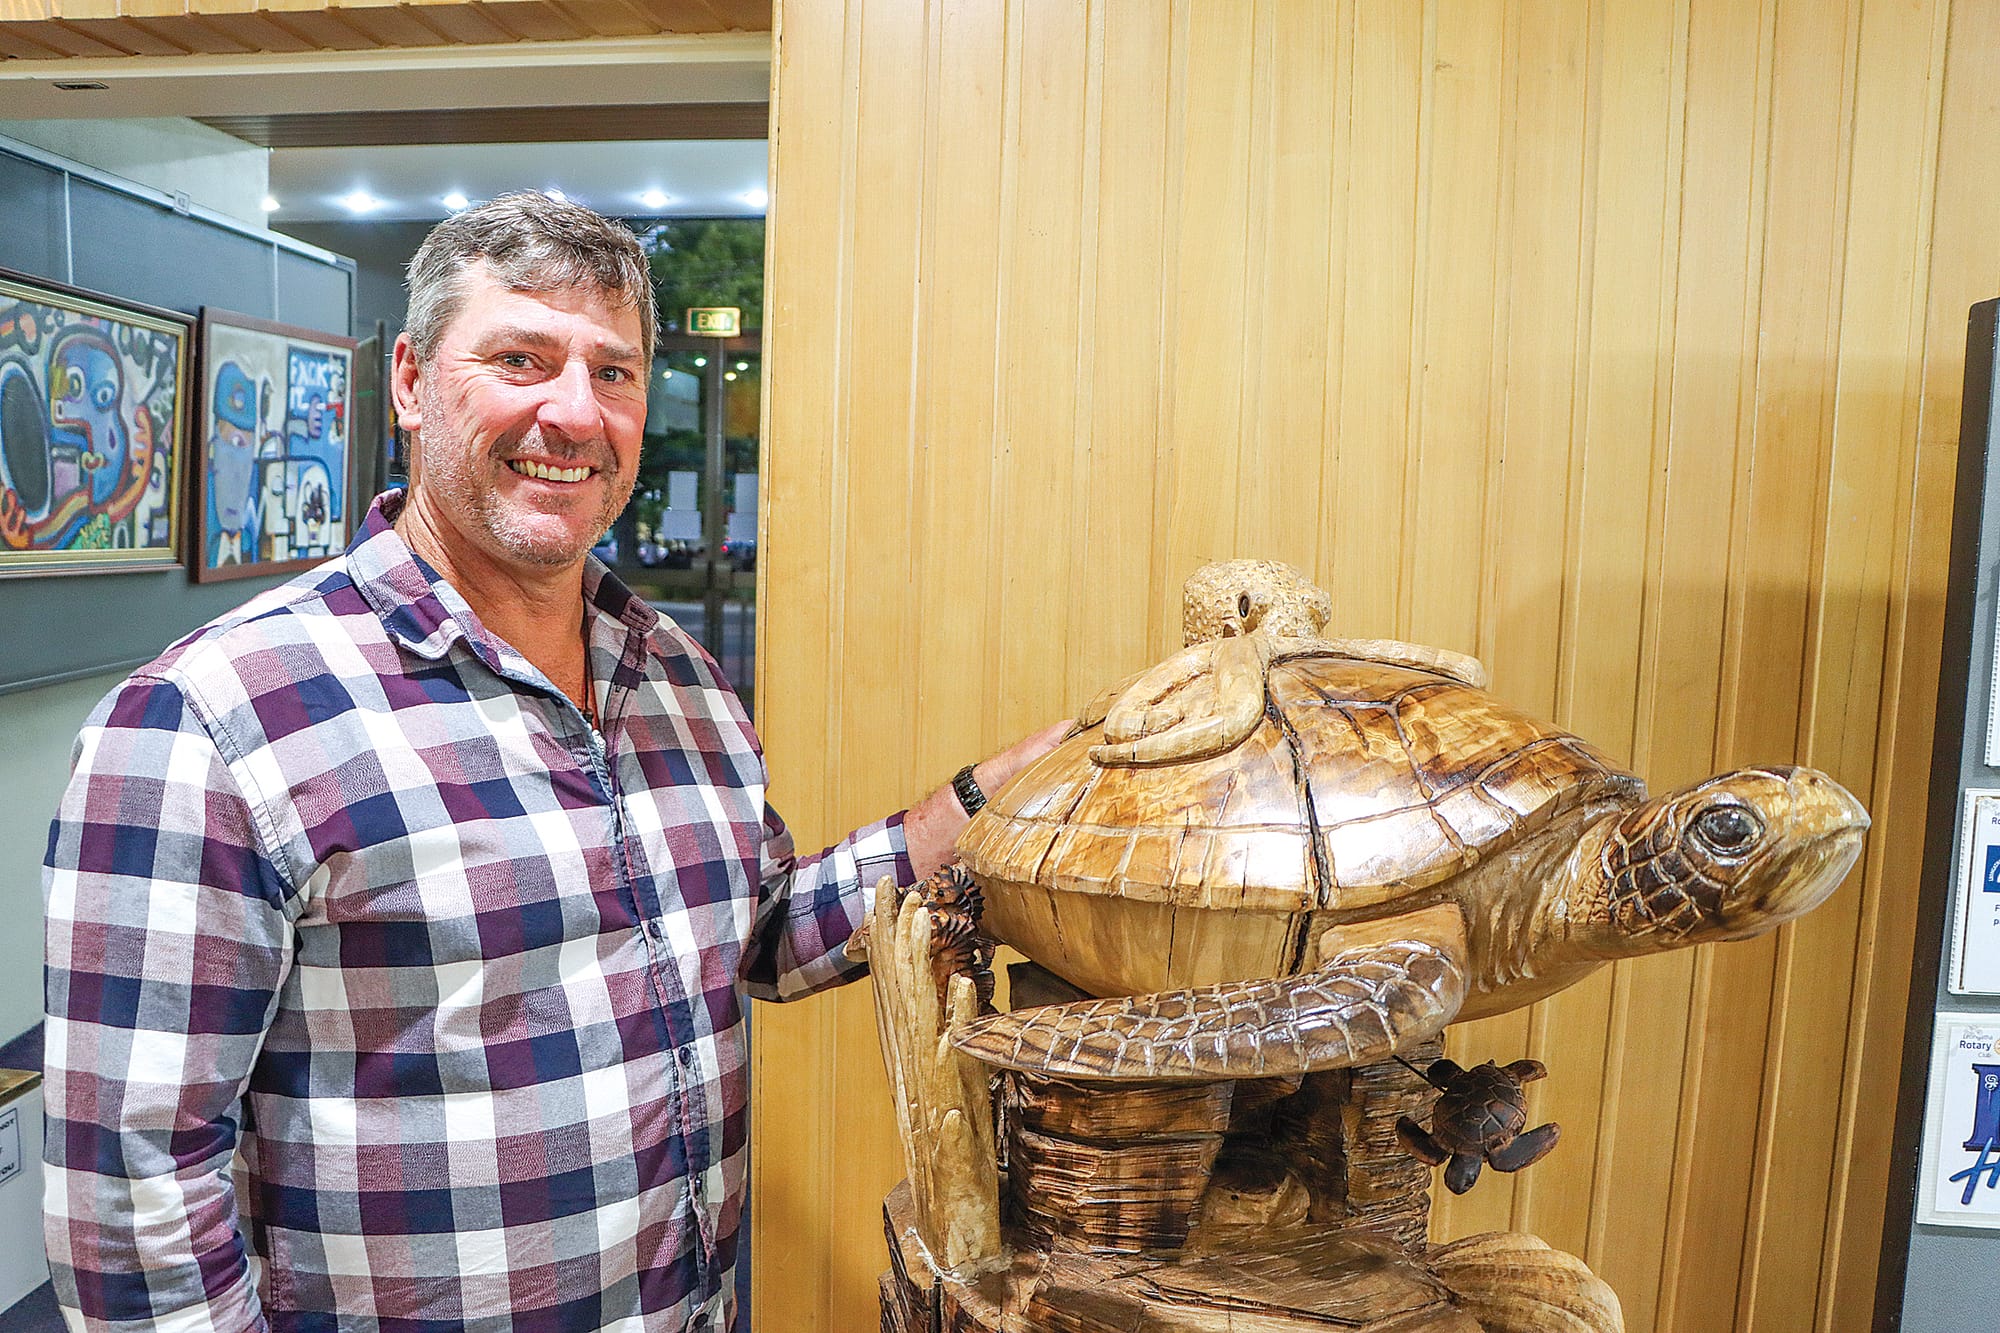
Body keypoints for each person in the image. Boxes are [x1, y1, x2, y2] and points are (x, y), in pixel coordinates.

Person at [42, 192, 1066, 1333]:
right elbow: (134, 1195)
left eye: (612, 372)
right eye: (520, 358)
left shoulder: (675, 674)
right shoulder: (212, 717)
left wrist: (990, 799)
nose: (572, 412)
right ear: (412, 382)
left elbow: (759, 932)